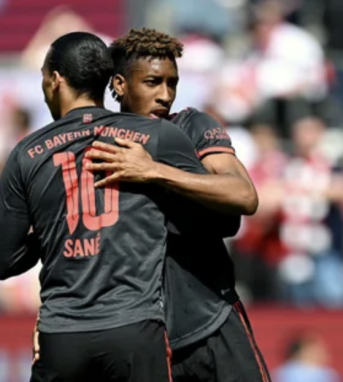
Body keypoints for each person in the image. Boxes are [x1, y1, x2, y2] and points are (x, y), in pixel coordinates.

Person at [0, 31, 239, 382]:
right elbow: (227, 220)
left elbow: (2, 261)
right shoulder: (154, 137)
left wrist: (55, 227)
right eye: (154, 82)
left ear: (55, 80)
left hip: (62, 332)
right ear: (113, 83)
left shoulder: (27, 154)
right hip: (137, 328)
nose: (165, 95)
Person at [83, 28, 270, 381]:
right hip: (142, 337)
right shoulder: (97, 144)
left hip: (211, 319)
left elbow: (244, 195)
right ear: (120, 85)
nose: (165, 95)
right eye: (153, 82)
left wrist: (154, 171)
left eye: (172, 83)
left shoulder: (192, 125)